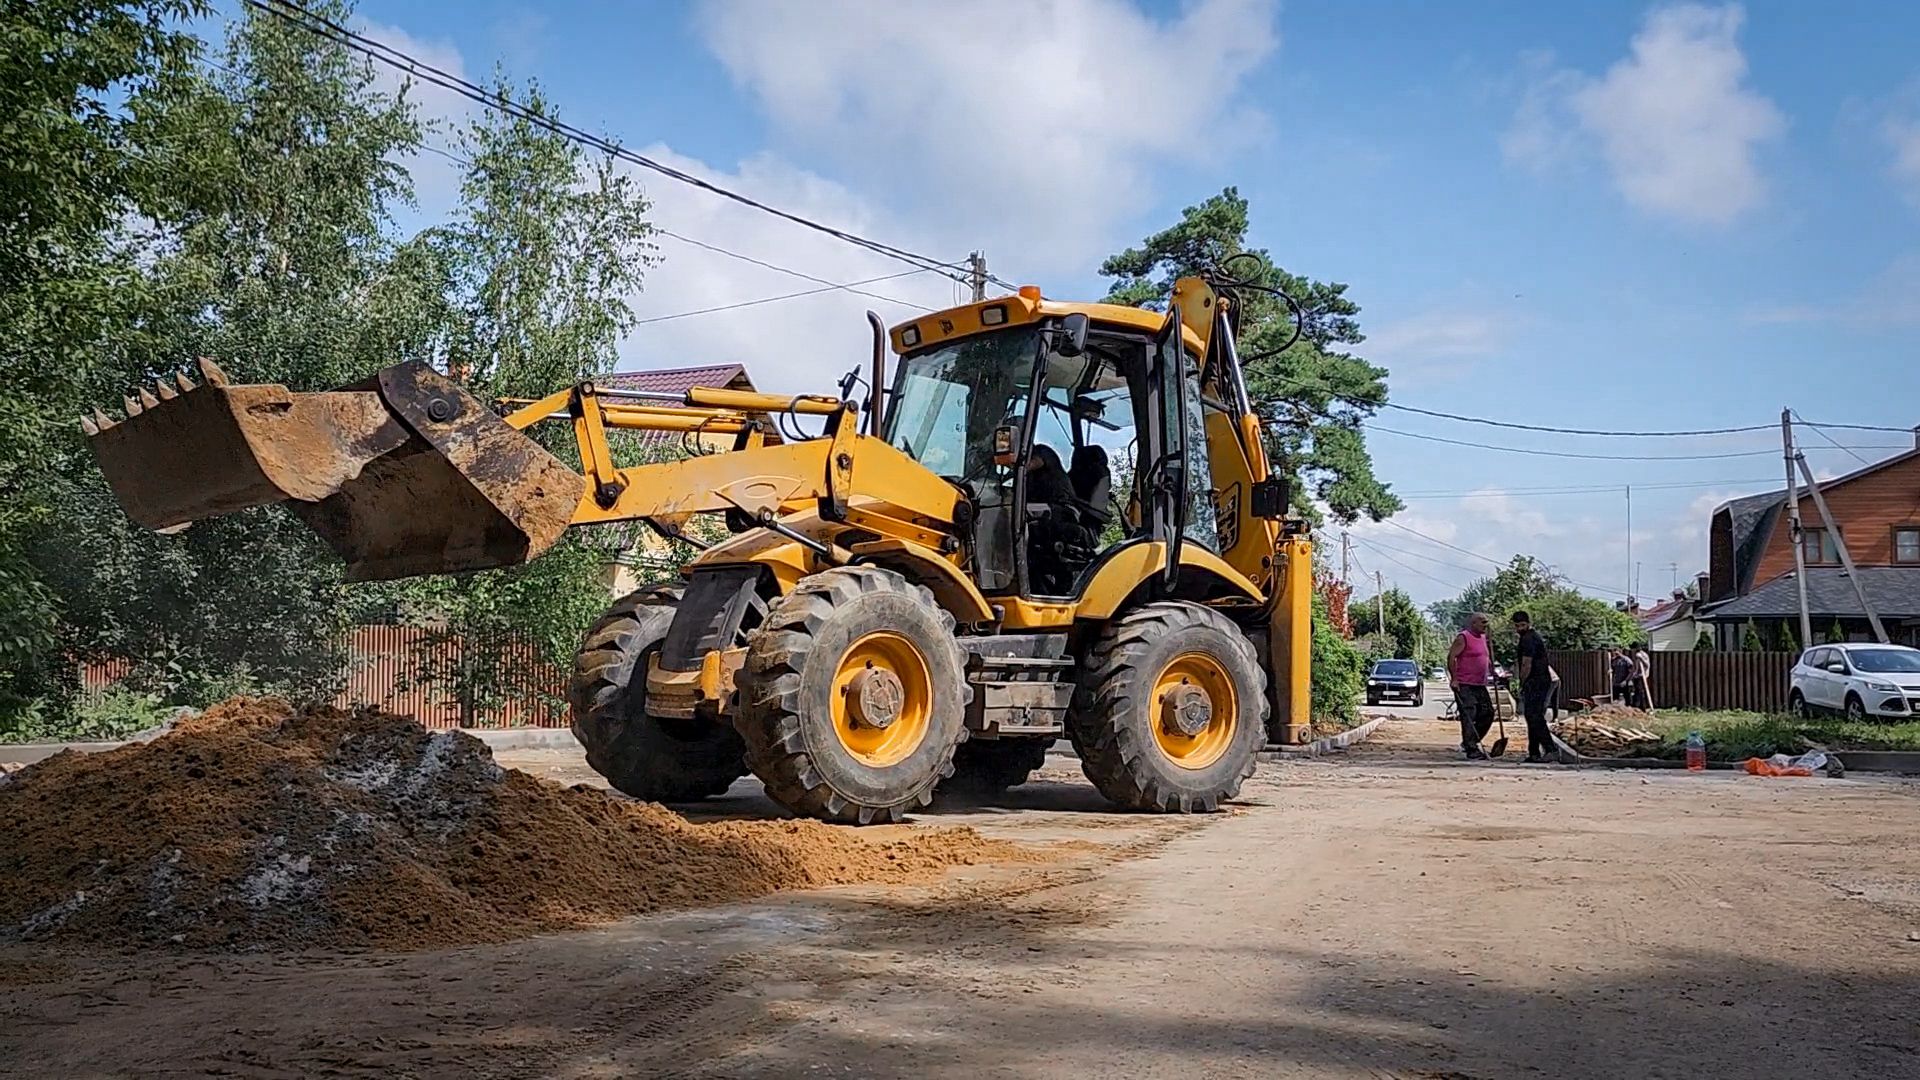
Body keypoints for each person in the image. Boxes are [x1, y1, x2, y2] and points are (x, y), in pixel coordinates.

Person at [1447, 613, 1495, 760]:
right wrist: (1454, 679)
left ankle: (1471, 740)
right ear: (1474, 623)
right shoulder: (1463, 637)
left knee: (1488, 713)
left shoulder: (1483, 638)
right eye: (1483, 623)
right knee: (1469, 714)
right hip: (1464, 683)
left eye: (1486, 623)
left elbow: (1485, 657)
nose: (1485, 625)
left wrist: (1492, 670)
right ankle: (1471, 748)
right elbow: (1451, 657)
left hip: (1480, 683)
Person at [1512, 610, 1554, 763]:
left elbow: (1526, 663)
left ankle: (1550, 749)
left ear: (1528, 623)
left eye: (1522, 625)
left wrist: (1521, 682)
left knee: (1534, 716)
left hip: (1536, 681)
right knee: (1532, 716)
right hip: (1540, 680)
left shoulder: (1528, 639)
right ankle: (1534, 752)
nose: (1520, 628)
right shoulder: (1531, 637)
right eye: (1517, 626)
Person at [1632, 643, 1655, 713]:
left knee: (1641, 692)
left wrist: (1641, 658)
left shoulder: (1644, 655)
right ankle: (1636, 707)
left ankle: (1643, 707)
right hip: (1637, 676)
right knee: (1636, 692)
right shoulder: (1636, 655)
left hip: (1643, 676)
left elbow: (1647, 665)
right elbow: (1636, 667)